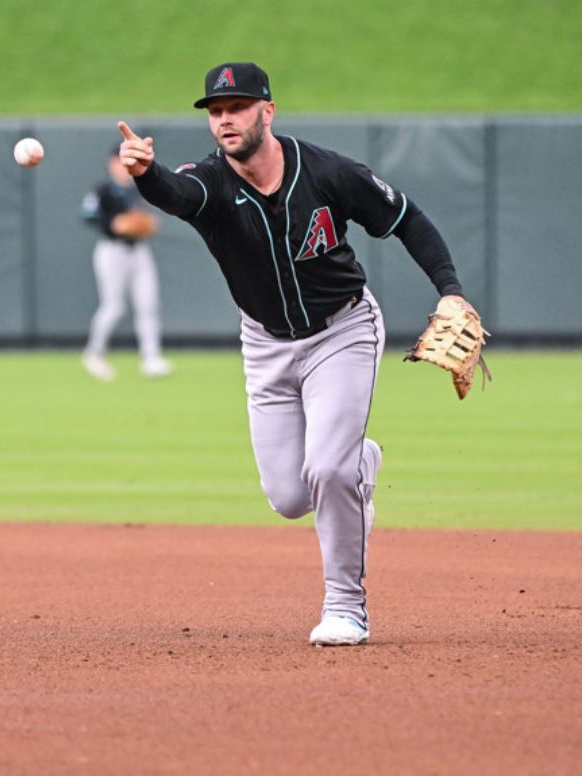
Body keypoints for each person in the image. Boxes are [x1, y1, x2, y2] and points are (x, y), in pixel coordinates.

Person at [118, 62, 476, 647]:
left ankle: (346, 606)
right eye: (215, 110)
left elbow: (408, 219)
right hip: (264, 346)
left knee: (328, 471)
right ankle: (362, 462)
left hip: (343, 333)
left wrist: (450, 289)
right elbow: (175, 193)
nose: (225, 119)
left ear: (268, 111)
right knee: (290, 496)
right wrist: (145, 172)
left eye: (236, 106)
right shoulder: (210, 182)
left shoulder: (329, 172)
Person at [80, 144, 170, 381]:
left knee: (148, 303)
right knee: (113, 306)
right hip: (112, 251)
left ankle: (151, 358)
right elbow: (89, 215)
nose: (122, 167)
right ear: (111, 164)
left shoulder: (135, 189)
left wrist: (148, 223)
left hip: (138, 251)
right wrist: (113, 223)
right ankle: (94, 353)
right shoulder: (103, 190)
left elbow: (148, 219)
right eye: (119, 162)